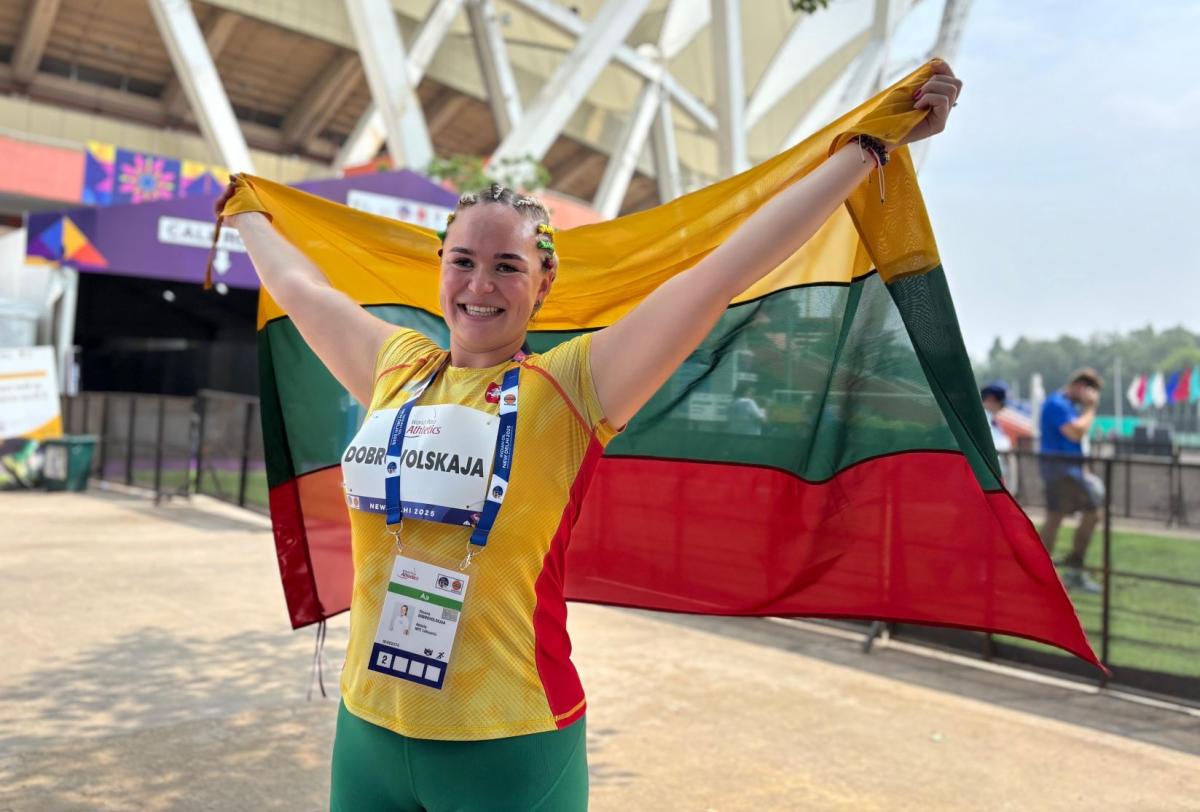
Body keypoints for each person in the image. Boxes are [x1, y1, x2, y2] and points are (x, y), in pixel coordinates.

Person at [217, 63, 960, 812]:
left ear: (543, 284)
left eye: (507, 266)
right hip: (368, 728)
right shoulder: (395, 368)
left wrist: (867, 150)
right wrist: (245, 212)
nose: (480, 284)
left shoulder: (571, 387)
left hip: (510, 744)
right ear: (438, 270)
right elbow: (305, 291)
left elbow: (718, 273)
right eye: (463, 262)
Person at [1038, 368, 1105, 593]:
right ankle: (1071, 571)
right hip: (1061, 471)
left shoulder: (1065, 405)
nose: (1090, 397)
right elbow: (1075, 433)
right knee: (1092, 513)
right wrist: (1091, 407)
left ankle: (1038, 569)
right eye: (1090, 391)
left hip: (1067, 470)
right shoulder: (1057, 403)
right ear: (1080, 386)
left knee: (1055, 518)